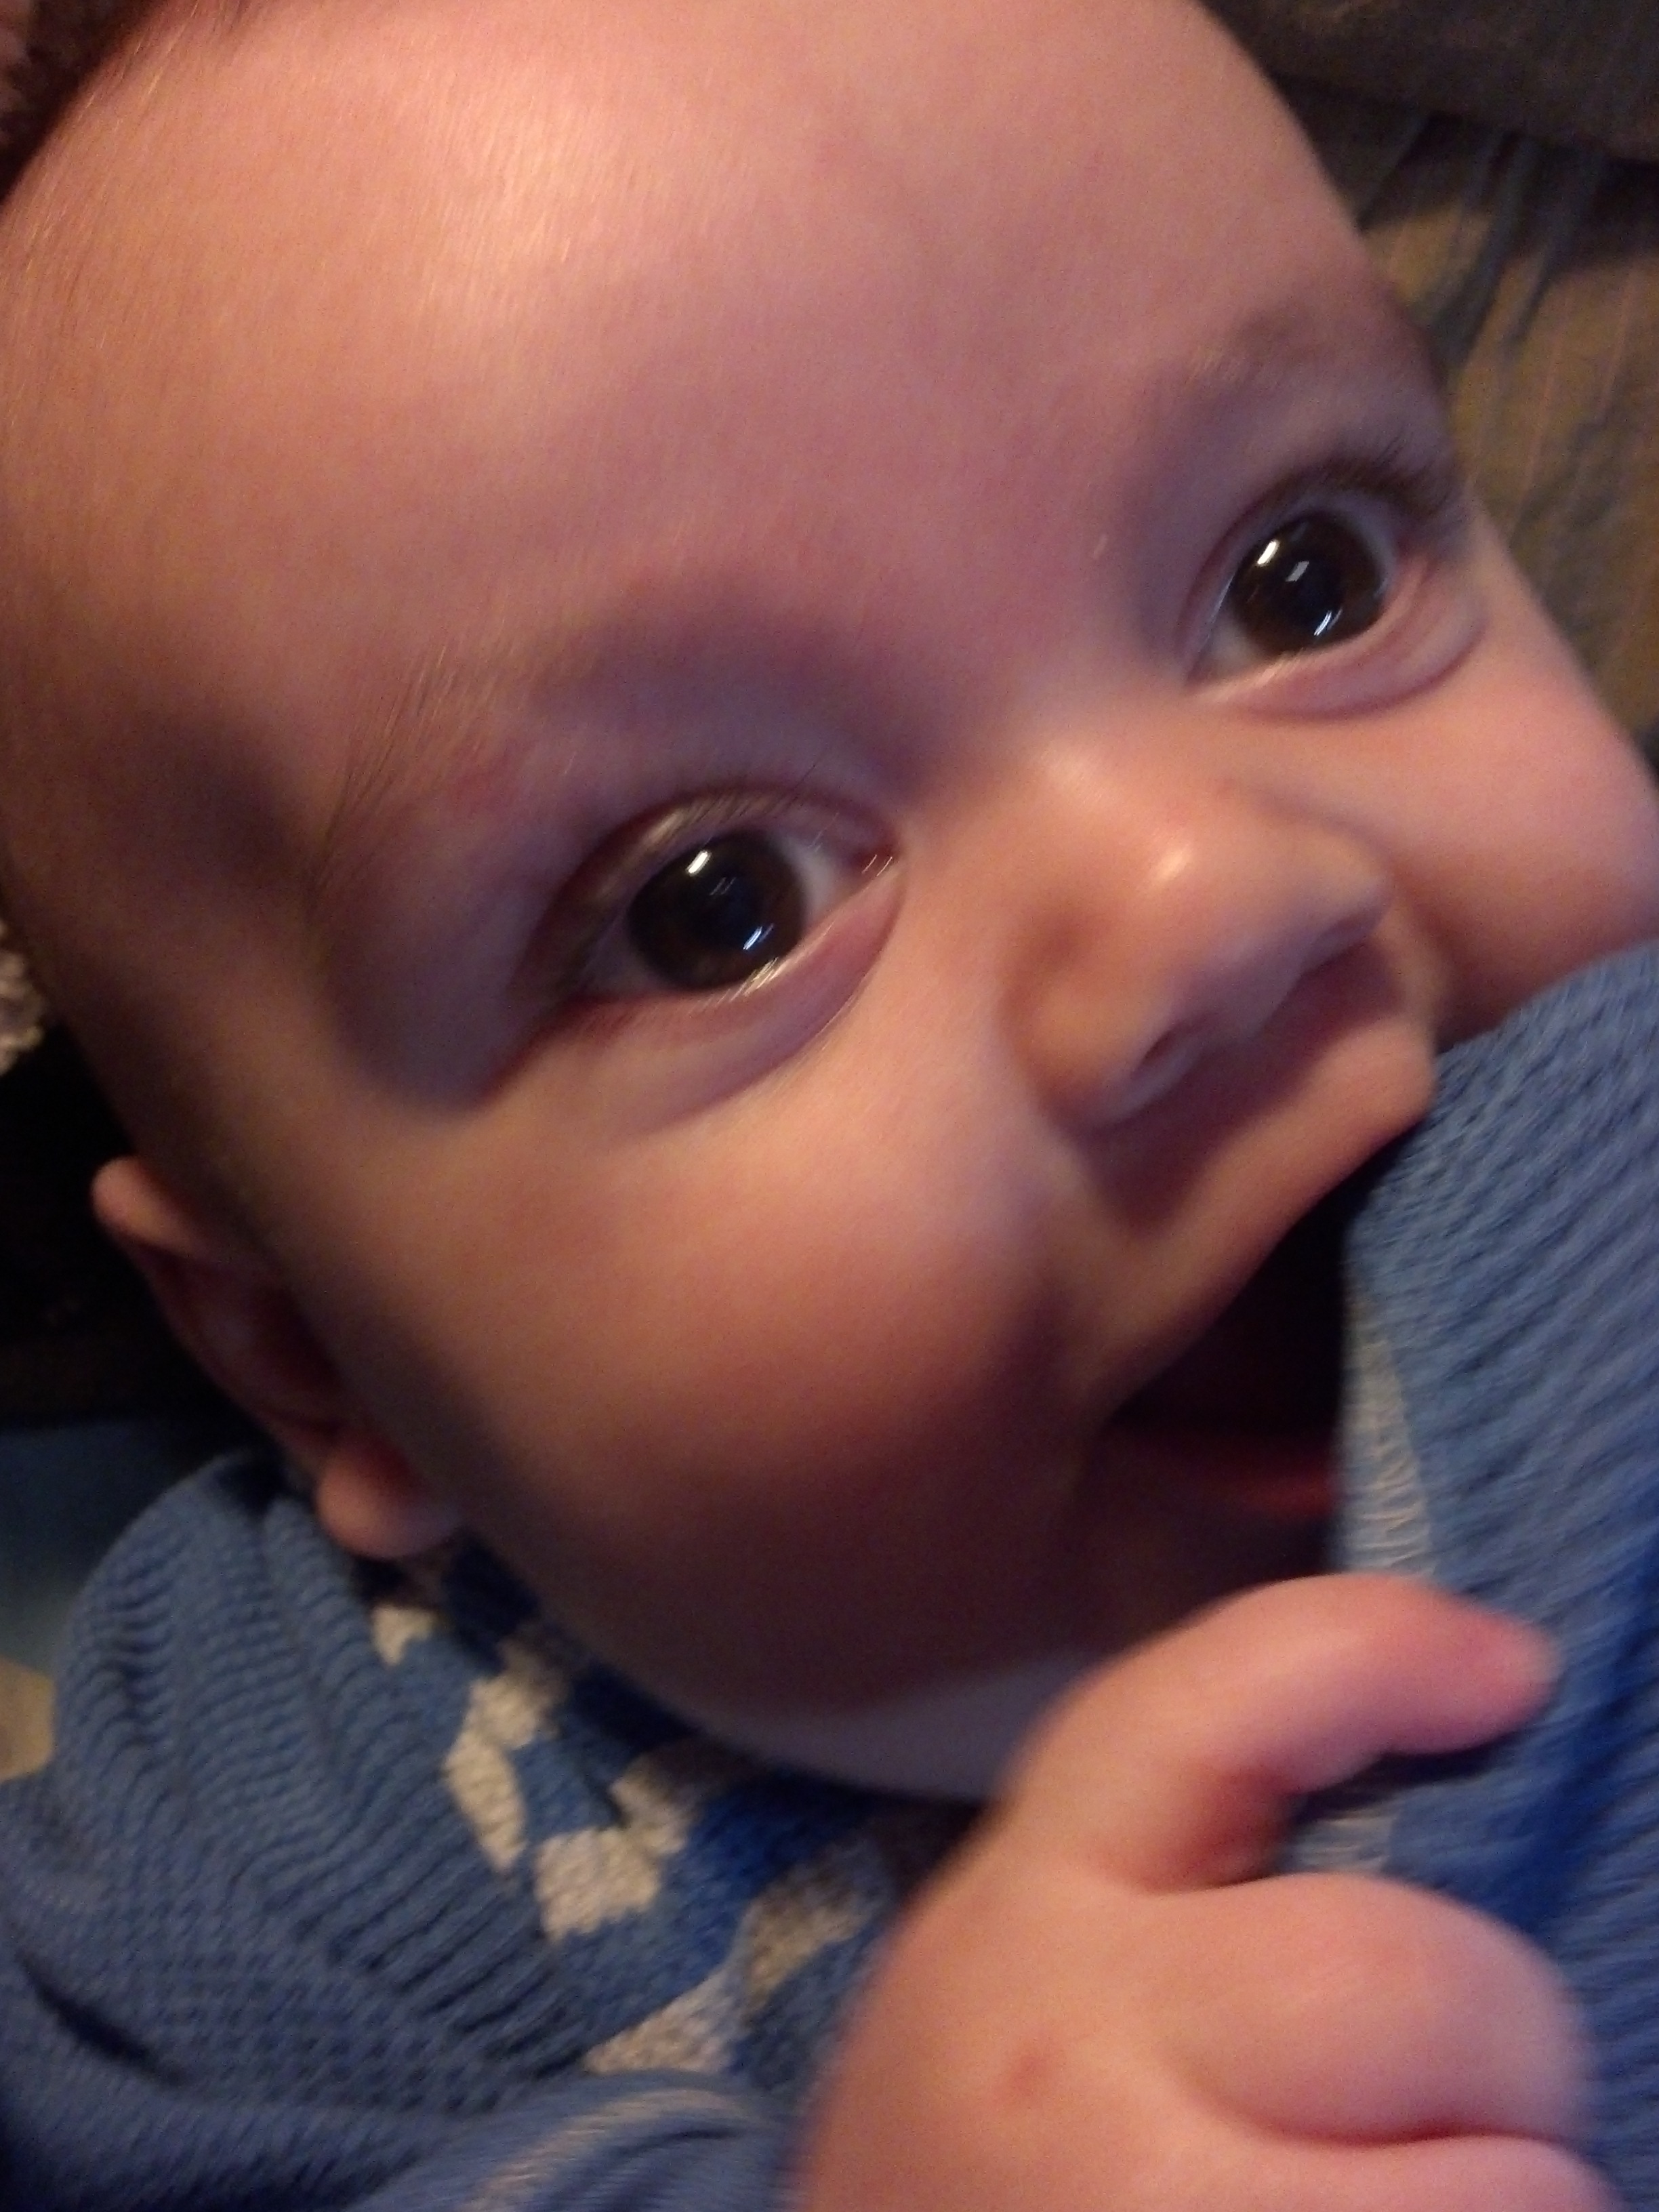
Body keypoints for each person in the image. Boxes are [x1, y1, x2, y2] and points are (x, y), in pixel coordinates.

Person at [0, 0, 1653, 2204]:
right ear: (320, 1358)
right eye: (718, 910)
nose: (1204, 894)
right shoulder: (297, 1844)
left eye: (1305, 578)